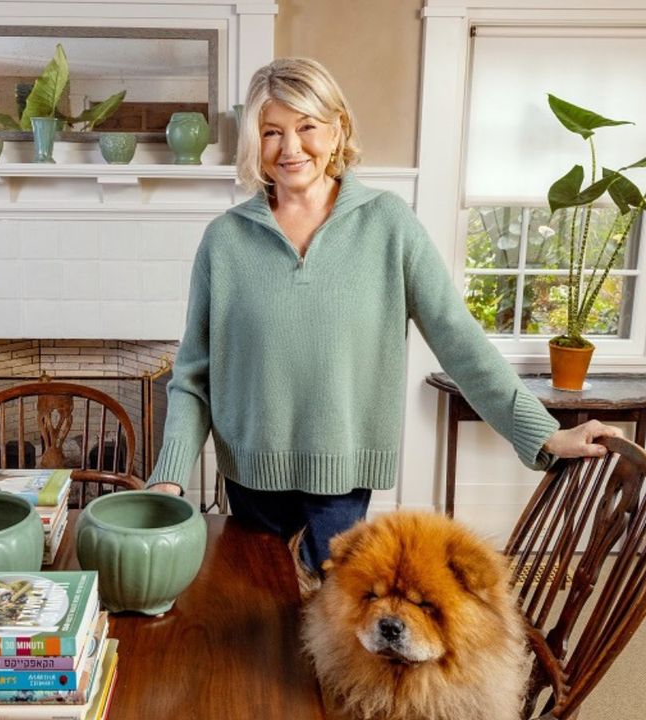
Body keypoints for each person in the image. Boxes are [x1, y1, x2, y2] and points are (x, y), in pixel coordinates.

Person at [147, 57, 620, 574]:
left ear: (337, 130)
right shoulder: (225, 240)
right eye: (271, 132)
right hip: (249, 475)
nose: (290, 148)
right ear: (253, 144)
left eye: (306, 127)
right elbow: (193, 374)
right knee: (261, 614)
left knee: (339, 622)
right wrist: (169, 476)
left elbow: (458, 339)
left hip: (343, 475)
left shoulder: (388, 225)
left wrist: (543, 433)